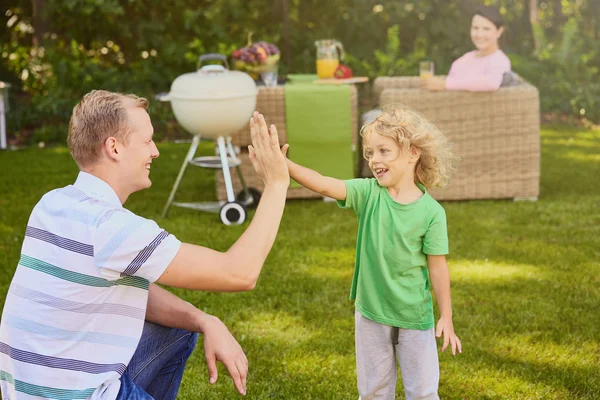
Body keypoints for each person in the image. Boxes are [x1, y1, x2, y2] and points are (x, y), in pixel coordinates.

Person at [0, 90, 289, 399]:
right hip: (74, 394)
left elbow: (125, 285)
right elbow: (240, 272)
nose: (155, 152)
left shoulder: (54, 203)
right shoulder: (113, 228)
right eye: (147, 140)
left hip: (29, 390)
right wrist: (276, 183)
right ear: (114, 148)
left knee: (178, 329)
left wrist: (205, 320)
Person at [283, 105, 461, 399]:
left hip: (414, 315)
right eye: (370, 153)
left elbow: (438, 268)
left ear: (412, 153)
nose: (374, 160)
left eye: (383, 151)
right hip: (372, 312)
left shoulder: (432, 213)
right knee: (374, 391)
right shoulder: (368, 193)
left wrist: (447, 316)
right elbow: (327, 185)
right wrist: (286, 165)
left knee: (423, 392)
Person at [421, 5, 511, 92]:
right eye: (475, 28)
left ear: (499, 31)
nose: (479, 35)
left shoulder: (500, 60)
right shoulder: (464, 60)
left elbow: (491, 83)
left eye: (486, 29)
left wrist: (446, 84)